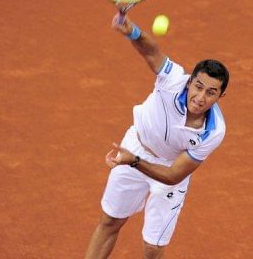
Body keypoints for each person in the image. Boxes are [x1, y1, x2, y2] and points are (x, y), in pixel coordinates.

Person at [85, 14, 230, 259]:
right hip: (135, 147)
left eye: (211, 92)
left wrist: (132, 161)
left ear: (219, 97)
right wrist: (132, 31)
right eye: (198, 86)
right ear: (189, 82)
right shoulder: (172, 80)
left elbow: (173, 175)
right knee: (110, 221)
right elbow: (151, 52)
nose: (200, 97)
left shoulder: (213, 132)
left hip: (165, 168)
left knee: (153, 248)